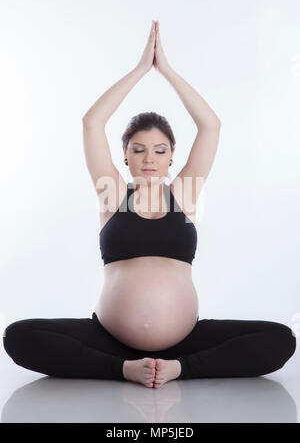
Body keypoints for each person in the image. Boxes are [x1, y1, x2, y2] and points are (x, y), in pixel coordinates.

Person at [3, 21, 296, 389]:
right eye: (137, 150)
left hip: (183, 342)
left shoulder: (185, 194)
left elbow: (211, 126)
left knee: (280, 340)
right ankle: (122, 368)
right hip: (109, 340)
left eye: (160, 150)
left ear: (173, 156)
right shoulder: (112, 193)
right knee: (19, 336)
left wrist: (167, 71)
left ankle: (177, 367)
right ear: (124, 156)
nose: (149, 159)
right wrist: (141, 70)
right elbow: (92, 123)